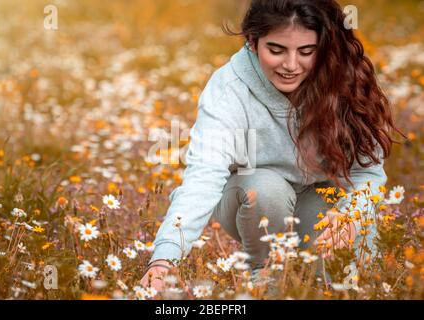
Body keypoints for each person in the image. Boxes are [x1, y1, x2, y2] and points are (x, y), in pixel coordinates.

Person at [140, 0, 403, 291]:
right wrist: (163, 261)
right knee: (265, 186)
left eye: (306, 51)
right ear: (253, 42)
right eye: (276, 50)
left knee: (346, 282)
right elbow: (203, 177)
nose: (291, 65)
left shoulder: (346, 79)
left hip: (319, 198)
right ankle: (263, 276)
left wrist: (352, 214)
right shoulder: (228, 90)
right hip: (250, 196)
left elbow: (368, 175)